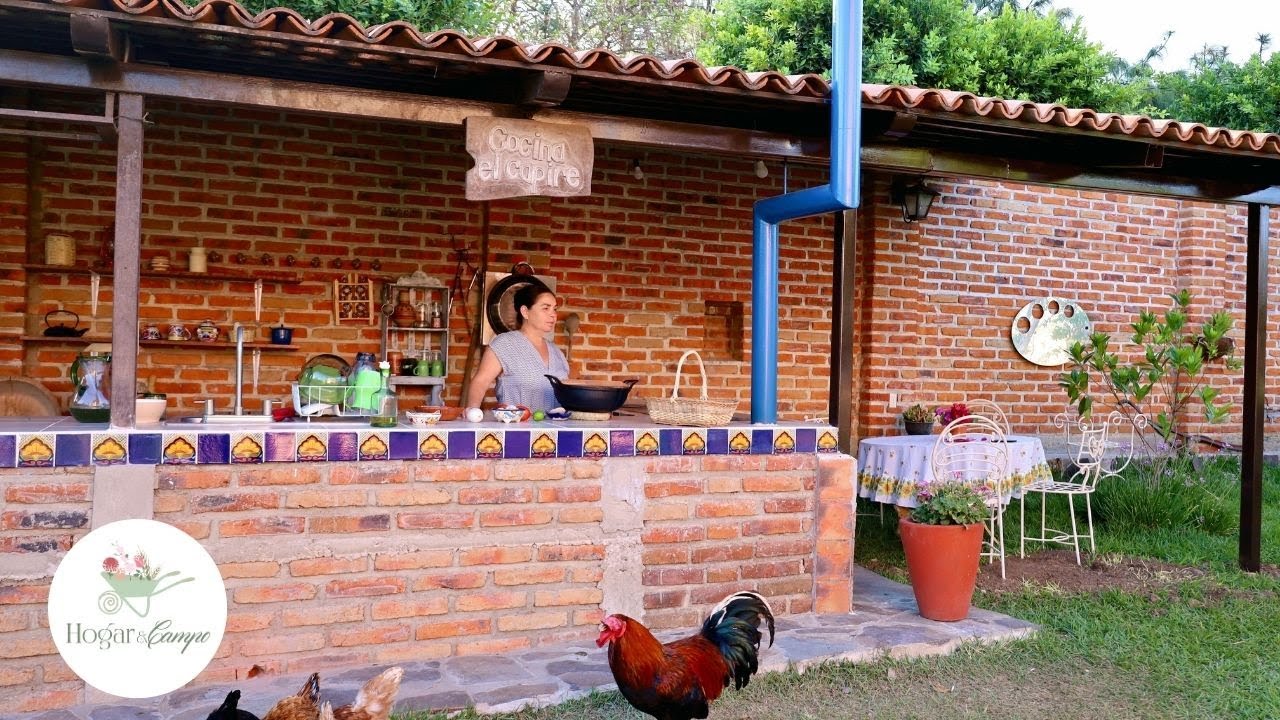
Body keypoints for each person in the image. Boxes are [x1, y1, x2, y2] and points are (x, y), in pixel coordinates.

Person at [465, 284, 569, 415]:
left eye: (554, 309)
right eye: (546, 308)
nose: (553, 315)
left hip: (555, 432)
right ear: (525, 311)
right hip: (516, 431)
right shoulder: (504, 344)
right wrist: (472, 411)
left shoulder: (557, 353)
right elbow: (481, 382)